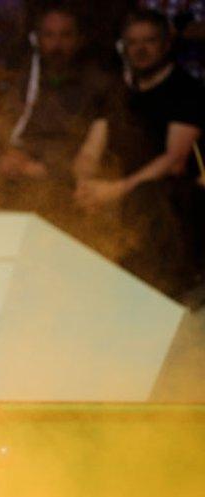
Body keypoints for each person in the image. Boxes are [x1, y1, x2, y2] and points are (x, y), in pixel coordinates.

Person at [73, 9, 204, 299]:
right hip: (122, 189)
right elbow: (91, 150)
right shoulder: (118, 93)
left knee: (149, 197)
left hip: (175, 195)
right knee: (59, 191)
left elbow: (174, 160)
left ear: (165, 44)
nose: (140, 50)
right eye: (132, 42)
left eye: (148, 41)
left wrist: (115, 190)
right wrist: (85, 185)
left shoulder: (186, 91)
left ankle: (157, 294)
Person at [0, 5, 114, 195]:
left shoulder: (97, 86)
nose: (56, 44)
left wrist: (39, 169)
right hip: (17, 178)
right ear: (38, 40)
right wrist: (6, 155)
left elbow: (93, 157)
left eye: (65, 35)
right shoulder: (27, 81)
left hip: (64, 184)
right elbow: (4, 129)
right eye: (49, 35)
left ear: (79, 40)